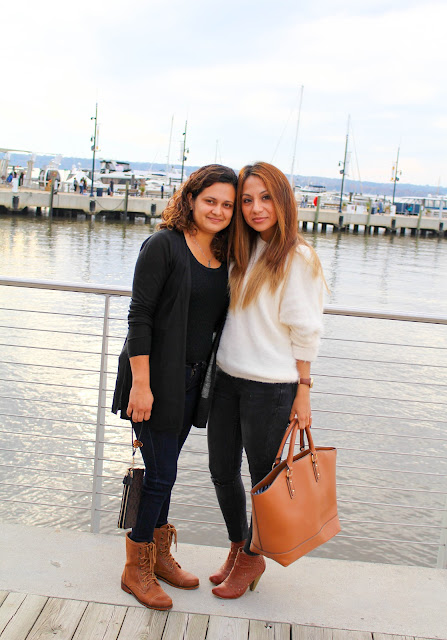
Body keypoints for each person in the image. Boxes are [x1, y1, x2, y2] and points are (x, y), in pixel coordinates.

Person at [112, 164, 237, 611]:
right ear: (191, 199)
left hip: (193, 383)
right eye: (210, 200)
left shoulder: (223, 254)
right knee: (162, 473)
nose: (218, 210)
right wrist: (141, 386)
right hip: (153, 380)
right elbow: (139, 316)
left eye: (227, 204)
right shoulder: (163, 245)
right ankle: (136, 567)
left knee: (164, 469)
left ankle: (160, 556)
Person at [207, 161, 326, 599]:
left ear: (283, 201)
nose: (256, 208)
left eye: (265, 198)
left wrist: (303, 391)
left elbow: (306, 330)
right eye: (247, 200)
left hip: (272, 388)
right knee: (221, 470)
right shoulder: (242, 249)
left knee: (263, 480)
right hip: (227, 379)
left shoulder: (297, 257)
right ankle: (239, 547)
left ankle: (253, 556)